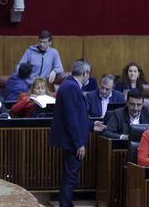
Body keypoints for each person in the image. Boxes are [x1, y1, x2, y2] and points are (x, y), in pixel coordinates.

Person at [49, 60, 106, 207]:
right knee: (70, 175)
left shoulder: (70, 85)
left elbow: (77, 116)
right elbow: (71, 118)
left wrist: (92, 125)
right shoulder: (71, 87)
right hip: (72, 142)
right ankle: (66, 205)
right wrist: (79, 143)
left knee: (71, 175)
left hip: (72, 140)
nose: (89, 77)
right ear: (85, 73)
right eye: (89, 74)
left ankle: (67, 203)